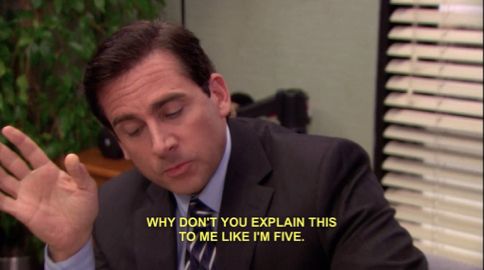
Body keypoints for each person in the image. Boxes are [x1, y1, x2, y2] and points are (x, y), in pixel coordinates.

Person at [0, 20, 427, 269]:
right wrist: (72, 249)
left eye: (172, 111)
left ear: (218, 96)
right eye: (133, 130)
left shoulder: (324, 176)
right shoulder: (111, 210)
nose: (161, 143)